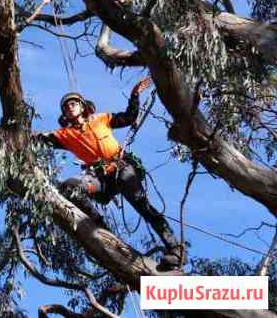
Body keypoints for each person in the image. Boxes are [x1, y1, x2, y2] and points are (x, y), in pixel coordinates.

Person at [38, 78, 186, 270]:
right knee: (69, 186)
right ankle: (99, 225)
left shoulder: (102, 118)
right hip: (100, 181)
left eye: (73, 103)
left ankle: (175, 249)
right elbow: (37, 138)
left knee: (141, 203)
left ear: (83, 106)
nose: (69, 107)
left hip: (122, 168)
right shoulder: (64, 135)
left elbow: (129, 117)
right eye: (66, 107)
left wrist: (134, 96)